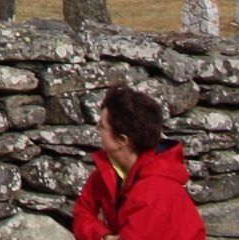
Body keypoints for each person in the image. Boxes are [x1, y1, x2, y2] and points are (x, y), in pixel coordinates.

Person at [72, 84, 205, 240]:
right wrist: (103, 236)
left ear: (122, 140)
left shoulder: (154, 192)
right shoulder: (108, 171)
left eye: (102, 126)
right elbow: (82, 212)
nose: (97, 129)